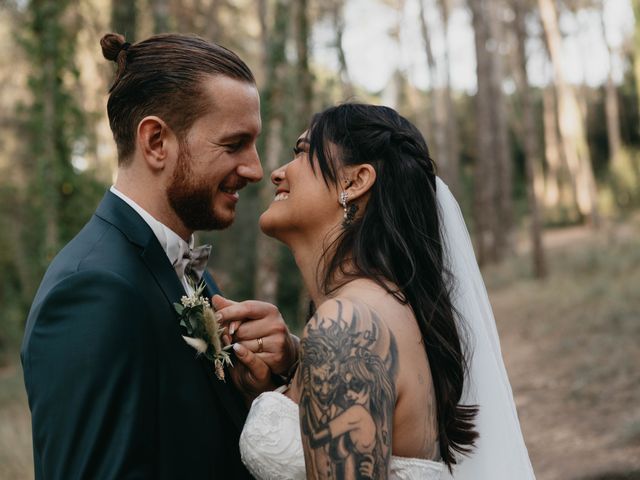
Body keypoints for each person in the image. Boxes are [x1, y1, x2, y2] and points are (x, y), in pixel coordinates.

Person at [21, 32, 298, 479]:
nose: (256, 168)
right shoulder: (93, 290)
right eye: (234, 144)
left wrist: (265, 381)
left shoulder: (179, 270)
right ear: (155, 142)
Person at [237, 104, 536, 479]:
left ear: (355, 181)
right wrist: (290, 366)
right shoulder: (381, 310)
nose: (277, 173)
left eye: (301, 152)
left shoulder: (347, 327)